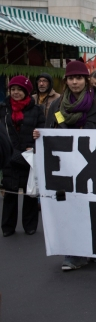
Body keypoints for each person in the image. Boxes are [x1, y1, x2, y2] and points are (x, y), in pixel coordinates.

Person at [38, 58, 96, 271]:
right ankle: (75, 254)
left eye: (79, 78)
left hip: (93, 165)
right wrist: (39, 136)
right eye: (71, 78)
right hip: (68, 168)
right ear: (66, 81)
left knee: (93, 207)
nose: (75, 82)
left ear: (86, 80)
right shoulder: (56, 105)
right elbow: (49, 133)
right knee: (72, 208)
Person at [1, 76, 45, 237]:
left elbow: (42, 133)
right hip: (9, 156)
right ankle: (7, 227)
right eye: (13, 89)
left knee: (30, 193)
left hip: (29, 156)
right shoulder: (3, 109)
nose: (16, 92)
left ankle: (30, 225)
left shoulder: (36, 110)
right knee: (10, 193)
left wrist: (33, 147)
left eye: (19, 89)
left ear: (26, 91)